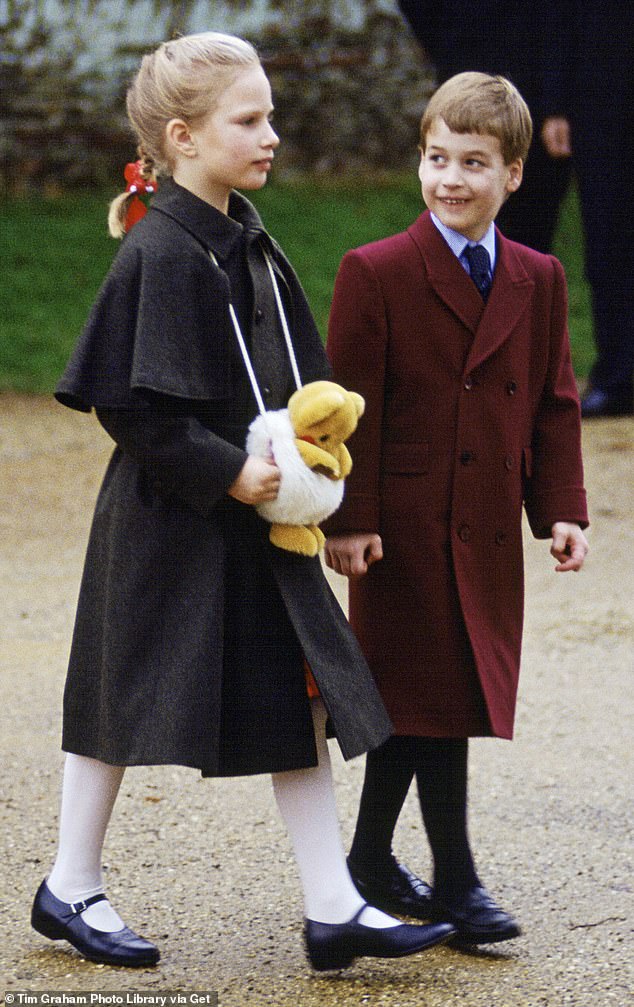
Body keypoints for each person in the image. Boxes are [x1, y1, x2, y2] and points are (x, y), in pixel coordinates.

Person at [30, 32, 456, 972]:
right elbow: (129, 402)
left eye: (271, 115)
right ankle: (68, 880)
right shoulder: (161, 253)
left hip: (263, 525)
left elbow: (297, 381)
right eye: (250, 119)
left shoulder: (250, 241)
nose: (272, 135)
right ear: (181, 137)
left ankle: (334, 902)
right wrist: (226, 471)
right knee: (118, 692)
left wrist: (315, 473)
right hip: (169, 521)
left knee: (299, 691)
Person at [325, 72, 589, 946]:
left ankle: (370, 857)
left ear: (514, 174)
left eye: (474, 163)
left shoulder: (539, 276)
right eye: (437, 158)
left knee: (440, 694)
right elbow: (347, 406)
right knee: (422, 694)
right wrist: (349, 519)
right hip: (399, 525)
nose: (450, 179)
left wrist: (561, 509)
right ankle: (457, 879)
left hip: (482, 520)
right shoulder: (378, 271)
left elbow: (553, 400)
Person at [397, 0, 573, 254]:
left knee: (529, 232)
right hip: (468, 74)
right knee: (464, 216)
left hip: (537, 82)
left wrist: (557, 102)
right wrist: (448, 45)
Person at [539, 2, 634, 417]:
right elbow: (562, 14)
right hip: (603, 91)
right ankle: (620, 376)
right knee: (609, 235)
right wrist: (555, 102)